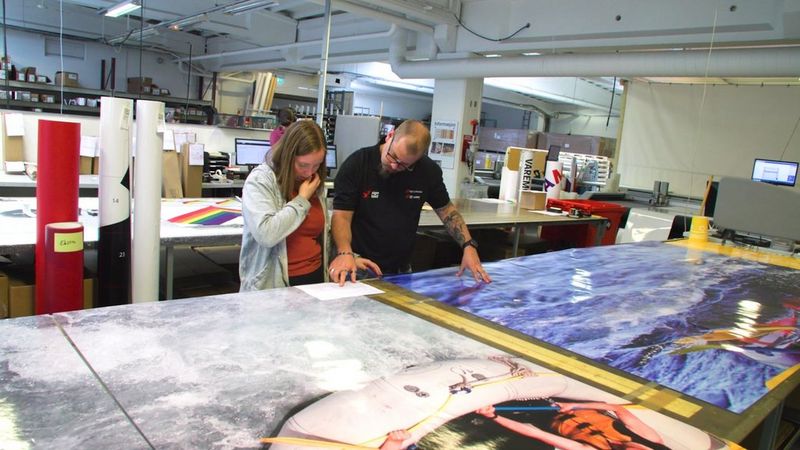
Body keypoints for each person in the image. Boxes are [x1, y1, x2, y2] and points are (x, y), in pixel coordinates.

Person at [329, 119, 492, 285]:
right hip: (359, 264)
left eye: (403, 165)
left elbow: (447, 212)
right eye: (392, 156)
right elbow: (341, 216)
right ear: (390, 136)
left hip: (401, 269)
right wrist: (345, 253)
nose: (393, 165)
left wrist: (468, 245)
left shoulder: (427, 172)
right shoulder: (357, 164)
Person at [239, 120, 328, 291]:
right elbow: (266, 234)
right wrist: (302, 200)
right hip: (273, 286)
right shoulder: (261, 179)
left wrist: (346, 255)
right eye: (303, 165)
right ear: (287, 156)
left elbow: (322, 234)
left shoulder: (313, 182)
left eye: (316, 165)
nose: (309, 173)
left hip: (315, 282)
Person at [475, 402, 670, 450]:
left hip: (540, 415)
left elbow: (536, 433)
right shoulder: (650, 439)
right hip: (570, 404)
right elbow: (617, 409)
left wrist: (493, 416)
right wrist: (574, 405)